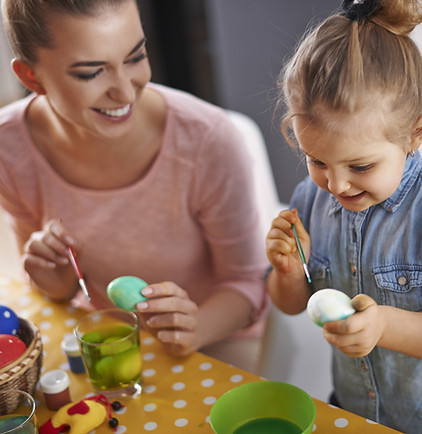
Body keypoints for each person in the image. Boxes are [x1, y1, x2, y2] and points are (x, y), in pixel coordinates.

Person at [0, 0, 269, 369]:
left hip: (214, 342)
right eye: (91, 73)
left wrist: (195, 327)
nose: (126, 93)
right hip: (103, 341)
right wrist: (57, 281)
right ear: (32, 78)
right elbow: (51, 292)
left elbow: (248, 284)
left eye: (135, 57)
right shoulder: (8, 148)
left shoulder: (208, 141)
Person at [266, 0, 422, 432]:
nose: (335, 186)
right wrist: (288, 272)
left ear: (415, 132)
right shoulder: (310, 201)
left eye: (359, 167)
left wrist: (384, 326)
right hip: (351, 413)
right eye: (316, 161)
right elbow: (291, 305)